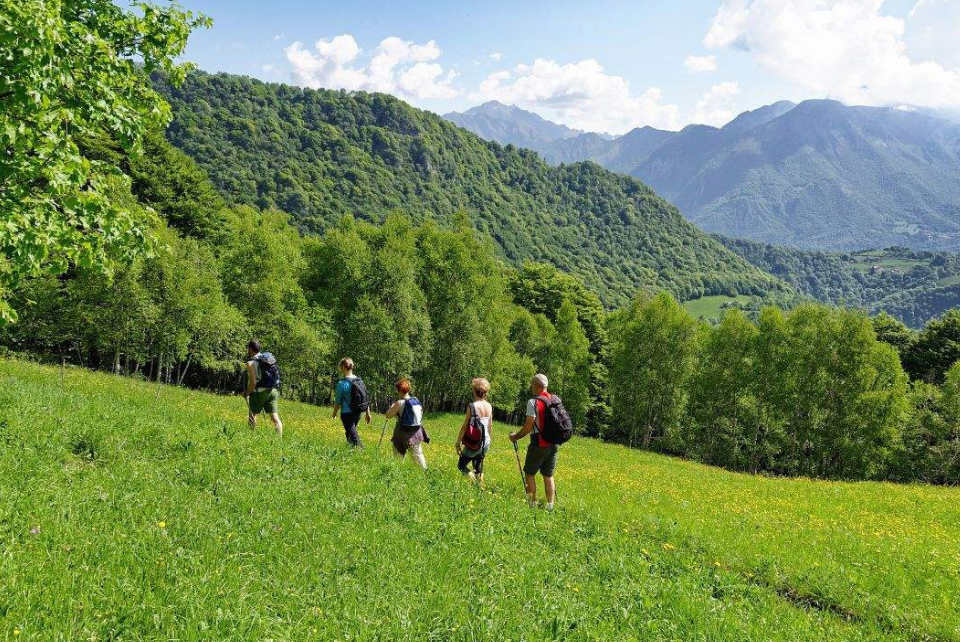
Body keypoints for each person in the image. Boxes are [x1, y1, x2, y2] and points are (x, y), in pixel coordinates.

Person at [510, 374, 558, 510]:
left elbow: (528, 426)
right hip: (554, 443)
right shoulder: (555, 399)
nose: (531, 387)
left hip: (539, 442)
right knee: (548, 475)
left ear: (537, 385)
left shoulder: (533, 402)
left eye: (532, 384)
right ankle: (550, 506)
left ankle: (532, 504)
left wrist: (515, 437)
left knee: (530, 473)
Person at [385, 378, 429, 469]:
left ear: (398, 390)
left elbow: (388, 415)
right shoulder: (416, 400)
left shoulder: (399, 403)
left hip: (401, 433)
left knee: (398, 455)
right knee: (418, 455)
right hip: (416, 433)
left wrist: (392, 407)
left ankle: (398, 473)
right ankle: (425, 473)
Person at [456, 378, 493, 486]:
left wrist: (458, 443)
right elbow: (490, 425)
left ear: (474, 391)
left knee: (461, 465)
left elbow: (464, 426)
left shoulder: (472, 406)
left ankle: (473, 482)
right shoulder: (489, 406)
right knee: (477, 466)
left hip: (474, 442)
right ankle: (480, 487)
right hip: (486, 441)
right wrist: (487, 440)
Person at [244, 340, 283, 437]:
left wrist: (247, 393)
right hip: (273, 391)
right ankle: (280, 440)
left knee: (252, 416)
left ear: (250, 349)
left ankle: (251, 437)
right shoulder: (267, 359)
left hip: (259, 392)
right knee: (275, 418)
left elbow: (253, 382)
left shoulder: (250, 363)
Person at [332, 357, 370, 447]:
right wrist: (368, 413)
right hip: (358, 412)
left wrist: (334, 413)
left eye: (340, 368)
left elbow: (338, 402)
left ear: (344, 368)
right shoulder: (360, 381)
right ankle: (350, 451)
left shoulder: (342, 384)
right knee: (349, 434)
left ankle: (361, 451)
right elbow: (365, 398)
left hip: (347, 414)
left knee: (353, 436)